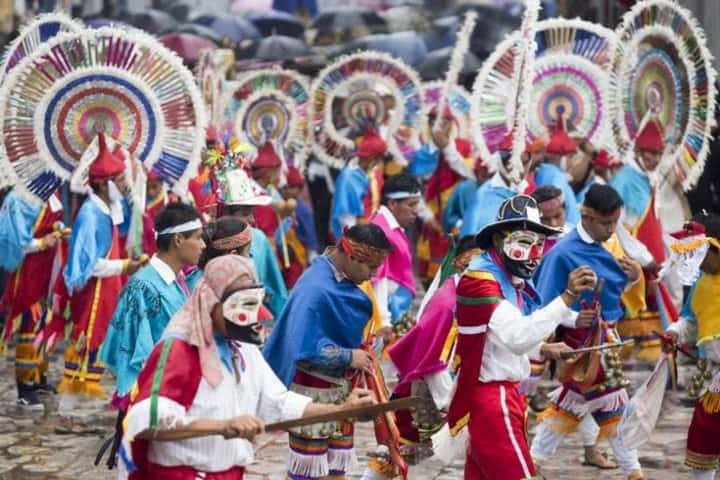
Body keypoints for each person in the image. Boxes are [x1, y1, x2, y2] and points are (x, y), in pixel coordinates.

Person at [118, 255, 374, 480]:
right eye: (243, 304)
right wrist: (222, 426)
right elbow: (147, 422)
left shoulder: (244, 350)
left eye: (254, 304)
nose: (252, 316)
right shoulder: (180, 350)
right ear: (212, 302)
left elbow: (280, 402)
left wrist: (341, 410)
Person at [444, 194, 598, 480]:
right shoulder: (482, 282)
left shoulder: (509, 281)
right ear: (501, 241)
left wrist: (544, 350)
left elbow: (500, 338)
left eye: (539, 244)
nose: (534, 254)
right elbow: (515, 336)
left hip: (504, 396)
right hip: (492, 401)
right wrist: (567, 297)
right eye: (525, 243)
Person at [529, 185, 645, 480]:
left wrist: (631, 278)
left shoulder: (606, 245)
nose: (611, 229)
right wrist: (573, 318)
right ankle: (634, 472)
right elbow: (546, 303)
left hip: (604, 342)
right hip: (582, 346)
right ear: (587, 215)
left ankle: (531, 464)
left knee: (571, 405)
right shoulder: (563, 253)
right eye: (605, 223)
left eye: (614, 222)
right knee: (615, 406)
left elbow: (612, 290)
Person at [264, 224, 392, 480]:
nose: (373, 275)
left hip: (342, 388)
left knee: (336, 464)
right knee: (309, 467)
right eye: (370, 268)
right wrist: (349, 356)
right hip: (314, 389)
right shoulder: (316, 288)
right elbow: (303, 346)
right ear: (353, 257)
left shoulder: (341, 278)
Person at [362, 236, 482, 479]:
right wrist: (448, 403)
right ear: (460, 263)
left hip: (439, 391)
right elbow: (434, 362)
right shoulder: (448, 303)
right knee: (396, 454)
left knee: (403, 455)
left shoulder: (464, 295)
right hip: (425, 394)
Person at [57, 132, 144, 410]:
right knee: (86, 344)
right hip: (93, 293)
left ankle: (125, 398)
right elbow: (89, 265)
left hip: (108, 289)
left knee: (109, 341)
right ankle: (66, 412)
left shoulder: (108, 208)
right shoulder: (90, 215)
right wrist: (125, 266)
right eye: (119, 180)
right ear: (104, 184)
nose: (124, 184)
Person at [101, 202, 206, 404]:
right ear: (178, 239)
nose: (203, 245)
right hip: (154, 400)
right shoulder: (142, 286)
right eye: (198, 237)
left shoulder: (180, 281)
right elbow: (126, 349)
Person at [610, 118, 677, 361]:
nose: (655, 159)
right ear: (637, 151)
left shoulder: (651, 177)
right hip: (633, 265)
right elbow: (617, 228)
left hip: (653, 268)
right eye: (650, 154)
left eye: (658, 154)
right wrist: (644, 257)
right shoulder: (624, 181)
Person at [662, 213, 720, 480]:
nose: (695, 261)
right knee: (703, 441)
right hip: (712, 378)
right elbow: (690, 321)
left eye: (700, 253)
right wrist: (674, 332)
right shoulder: (701, 283)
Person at [0, 189, 68, 410]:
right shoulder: (19, 199)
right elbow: (16, 241)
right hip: (28, 271)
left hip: (48, 269)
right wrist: (41, 243)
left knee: (45, 321)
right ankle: (25, 388)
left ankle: (39, 377)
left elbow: (53, 221)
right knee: (30, 323)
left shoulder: (52, 193)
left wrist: (59, 231)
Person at [411, 106, 474, 283]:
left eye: (443, 123)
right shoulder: (423, 153)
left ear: (451, 124)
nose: (438, 128)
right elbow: (415, 189)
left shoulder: (464, 147)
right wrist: (426, 216)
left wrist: (447, 148)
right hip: (432, 218)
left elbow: (470, 174)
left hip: (459, 216)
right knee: (431, 273)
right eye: (434, 123)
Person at [217, 167, 288, 318]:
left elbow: (276, 292)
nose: (252, 220)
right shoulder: (211, 245)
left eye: (252, 213)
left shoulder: (259, 240)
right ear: (226, 215)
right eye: (244, 214)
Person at [371, 174, 422, 329]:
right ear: (393, 203)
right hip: (387, 313)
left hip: (396, 309)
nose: (416, 211)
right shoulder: (382, 231)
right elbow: (379, 280)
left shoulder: (392, 226)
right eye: (411, 205)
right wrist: (384, 322)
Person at [460, 131, 532, 237]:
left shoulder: (530, 188)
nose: (520, 170)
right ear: (501, 162)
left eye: (525, 162)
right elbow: (469, 243)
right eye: (513, 163)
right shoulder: (483, 196)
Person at [330, 126, 386, 240]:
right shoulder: (348, 177)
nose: (378, 162)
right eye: (377, 158)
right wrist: (354, 240)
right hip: (357, 232)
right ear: (368, 158)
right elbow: (345, 215)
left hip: (375, 230)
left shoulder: (375, 171)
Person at [534, 106, 581, 225]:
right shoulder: (555, 175)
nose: (573, 163)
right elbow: (555, 210)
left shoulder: (542, 171)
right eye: (571, 157)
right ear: (560, 156)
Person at [276, 166, 320, 288]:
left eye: (292, 187)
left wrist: (312, 253)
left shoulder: (303, 210)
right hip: (282, 250)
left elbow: (310, 232)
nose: (288, 191)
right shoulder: (279, 204)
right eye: (285, 187)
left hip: (298, 251)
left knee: (296, 280)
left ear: (300, 189)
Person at [442, 157, 491, 235]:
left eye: (491, 177)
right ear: (476, 173)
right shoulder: (463, 189)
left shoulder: (498, 188)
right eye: (484, 176)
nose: (488, 181)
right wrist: (460, 224)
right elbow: (448, 216)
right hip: (468, 237)